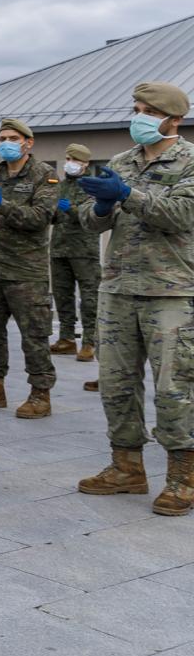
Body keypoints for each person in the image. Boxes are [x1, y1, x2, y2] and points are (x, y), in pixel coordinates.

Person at [77, 82, 194, 516]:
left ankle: (182, 478)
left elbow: (182, 214)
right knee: (116, 384)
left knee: (175, 387)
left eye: (148, 110)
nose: (138, 116)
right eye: (136, 108)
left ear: (174, 119)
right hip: (118, 288)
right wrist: (104, 206)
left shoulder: (190, 161)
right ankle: (127, 468)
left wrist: (129, 196)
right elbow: (89, 221)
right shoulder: (121, 161)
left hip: (173, 292)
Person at [0, 118, 58, 418]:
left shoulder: (45, 175)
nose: (6, 142)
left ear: (28, 142)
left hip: (26, 272)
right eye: (2, 137)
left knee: (34, 335)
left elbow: (39, 218)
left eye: (12, 138)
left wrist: (1, 205)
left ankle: (40, 393)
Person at [48, 143, 101, 362]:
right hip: (59, 247)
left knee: (89, 297)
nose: (70, 164)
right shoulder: (60, 186)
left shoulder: (93, 186)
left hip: (83, 249)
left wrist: (71, 209)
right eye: (68, 159)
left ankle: (90, 341)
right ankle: (67, 339)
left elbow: (93, 215)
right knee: (62, 295)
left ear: (86, 163)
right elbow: (52, 216)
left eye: (75, 160)